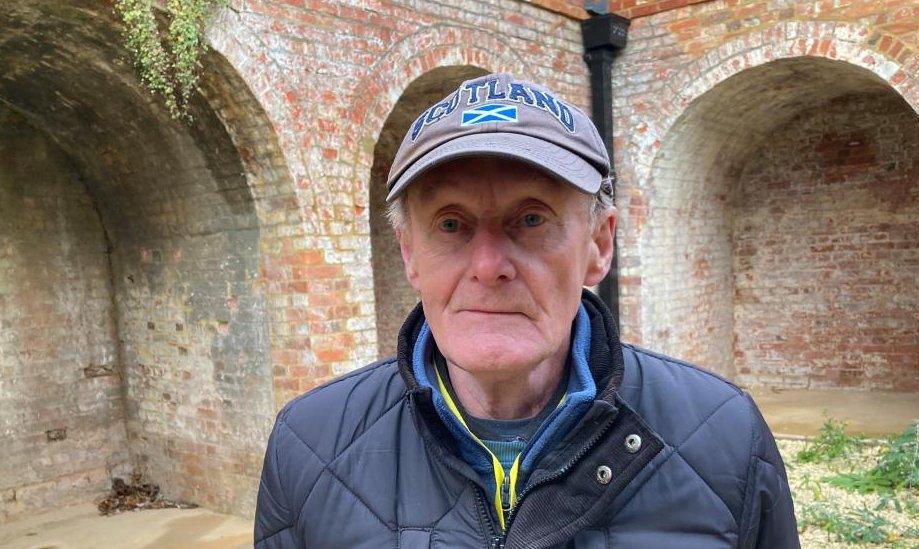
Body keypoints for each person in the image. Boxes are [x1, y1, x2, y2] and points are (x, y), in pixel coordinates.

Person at [254, 73, 799, 548]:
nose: (489, 266)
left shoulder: (725, 439)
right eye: (450, 224)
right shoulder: (308, 446)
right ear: (409, 254)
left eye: (531, 219)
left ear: (598, 245)